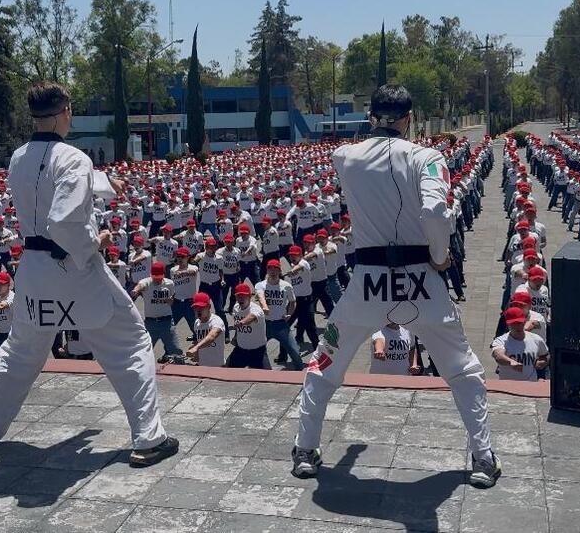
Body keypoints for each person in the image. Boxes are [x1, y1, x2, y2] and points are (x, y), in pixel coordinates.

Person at [290, 85, 500, 488]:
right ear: (409, 118)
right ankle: (483, 457)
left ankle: (305, 448)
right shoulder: (427, 157)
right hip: (421, 280)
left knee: (324, 363)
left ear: (371, 116)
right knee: (463, 369)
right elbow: (435, 210)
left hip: (366, 283)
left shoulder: (344, 156)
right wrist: (440, 255)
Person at [0, 82, 177, 466]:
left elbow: (51, 175)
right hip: (73, 267)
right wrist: (96, 240)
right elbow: (63, 216)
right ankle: (149, 438)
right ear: (65, 112)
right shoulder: (75, 158)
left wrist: (106, 183)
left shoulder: (18, 157)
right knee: (131, 343)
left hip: (32, 269)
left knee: (20, 352)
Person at [491, 307, 549, 381]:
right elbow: (498, 356)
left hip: (530, 384)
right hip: (508, 385)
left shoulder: (536, 339)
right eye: (514, 324)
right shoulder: (501, 340)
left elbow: (545, 355)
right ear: (508, 324)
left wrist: (543, 362)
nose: (517, 326)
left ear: (524, 321)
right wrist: (510, 362)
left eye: (520, 322)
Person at [226, 283, 269, 369]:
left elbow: (252, 317)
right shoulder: (236, 308)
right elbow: (238, 326)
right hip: (241, 349)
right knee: (228, 369)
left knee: (266, 375)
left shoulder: (256, 309)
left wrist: (242, 322)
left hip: (257, 351)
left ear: (249, 296)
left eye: (243, 296)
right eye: (238, 296)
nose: (241, 299)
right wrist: (236, 337)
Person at [185, 291, 225, 367]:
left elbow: (211, 337)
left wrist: (196, 348)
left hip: (217, 366)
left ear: (209, 307)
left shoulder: (216, 321)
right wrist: (196, 354)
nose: (198, 310)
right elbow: (199, 340)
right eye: (196, 308)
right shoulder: (197, 323)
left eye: (201, 307)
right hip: (202, 366)